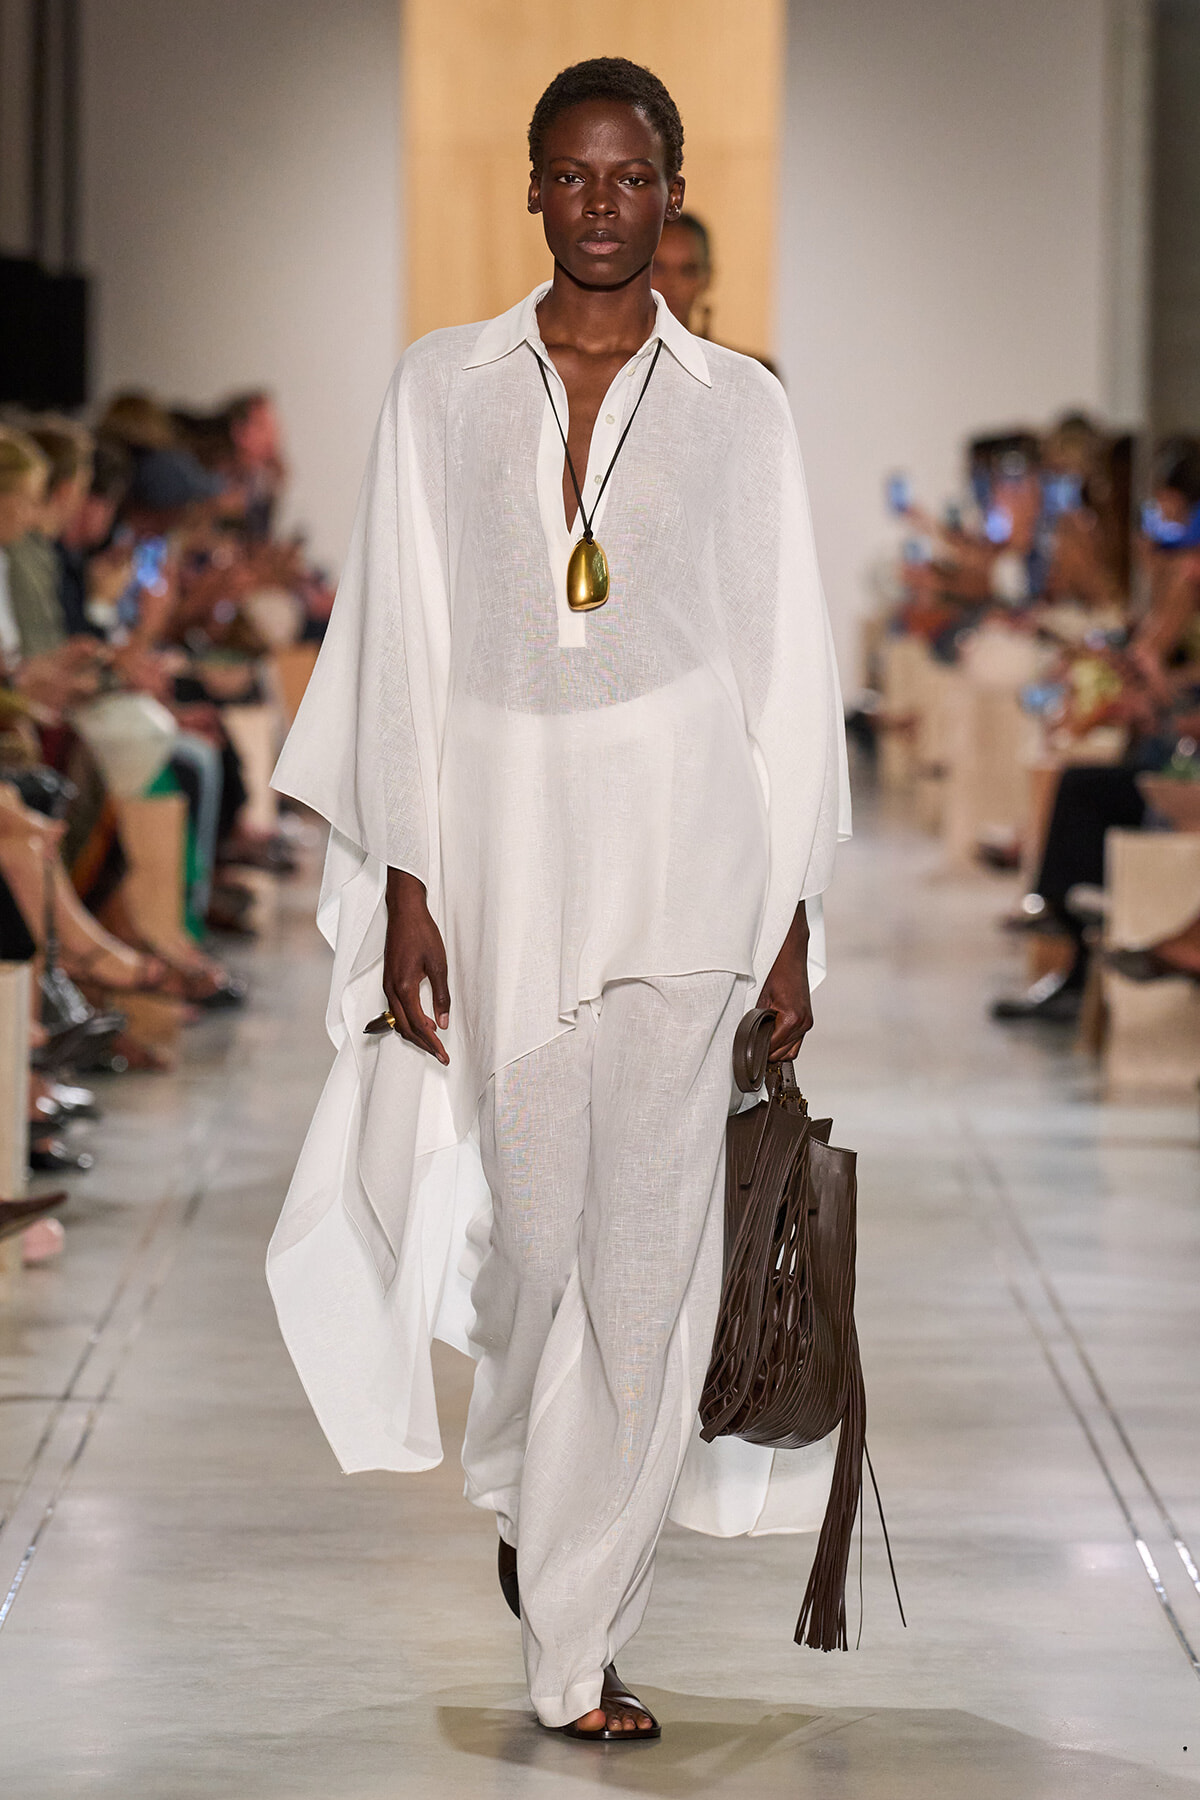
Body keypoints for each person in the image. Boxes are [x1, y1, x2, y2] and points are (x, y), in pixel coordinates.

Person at [268, 57, 848, 1743]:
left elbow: (783, 663)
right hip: (507, 846)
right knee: (532, 1245)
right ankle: (538, 1490)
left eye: (632, 178)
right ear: (533, 191)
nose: (602, 206)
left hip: (688, 859)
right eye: (573, 177)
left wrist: (792, 915)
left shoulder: (741, 404)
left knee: (649, 1262)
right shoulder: (441, 389)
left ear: (670, 192)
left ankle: (578, 1643)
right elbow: (401, 642)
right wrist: (405, 885)